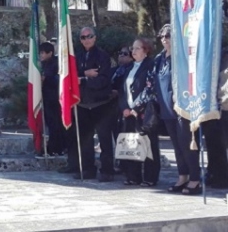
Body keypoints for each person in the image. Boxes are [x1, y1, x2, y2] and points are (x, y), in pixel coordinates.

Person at [136, 24, 200, 194]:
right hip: (166, 108)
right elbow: (150, 84)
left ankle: (195, 179)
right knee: (177, 146)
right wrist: (139, 104)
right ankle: (183, 176)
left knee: (188, 144)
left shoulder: (182, 57)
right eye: (162, 36)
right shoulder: (159, 59)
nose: (165, 39)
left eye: (169, 35)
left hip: (183, 108)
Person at [60, 27, 115, 182]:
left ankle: (107, 170)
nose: (86, 40)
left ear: (95, 37)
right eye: (83, 37)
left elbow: (103, 79)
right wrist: (85, 74)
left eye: (89, 36)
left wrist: (82, 79)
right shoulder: (76, 57)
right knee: (85, 141)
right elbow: (70, 77)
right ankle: (88, 169)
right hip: (83, 104)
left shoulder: (102, 56)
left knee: (104, 140)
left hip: (101, 104)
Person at [118, 37, 160, 187]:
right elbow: (123, 90)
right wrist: (124, 108)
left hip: (144, 112)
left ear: (146, 51)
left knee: (148, 144)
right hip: (128, 112)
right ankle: (133, 176)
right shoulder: (129, 67)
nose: (133, 51)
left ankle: (150, 177)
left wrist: (137, 108)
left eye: (137, 48)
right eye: (132, 48)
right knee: (131, 144)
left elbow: (150, 88)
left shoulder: (151, 65)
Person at [39, 42, 64, 156]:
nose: (41, 55)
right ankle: (53, 146)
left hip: (55, 98)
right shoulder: (43, 64)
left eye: (43, 53)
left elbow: (59, 79)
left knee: (56, 124)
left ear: (50, 53)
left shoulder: (56, 63)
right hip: (47, 97)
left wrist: (46, 78)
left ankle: (56, 147)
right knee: (50, 123)